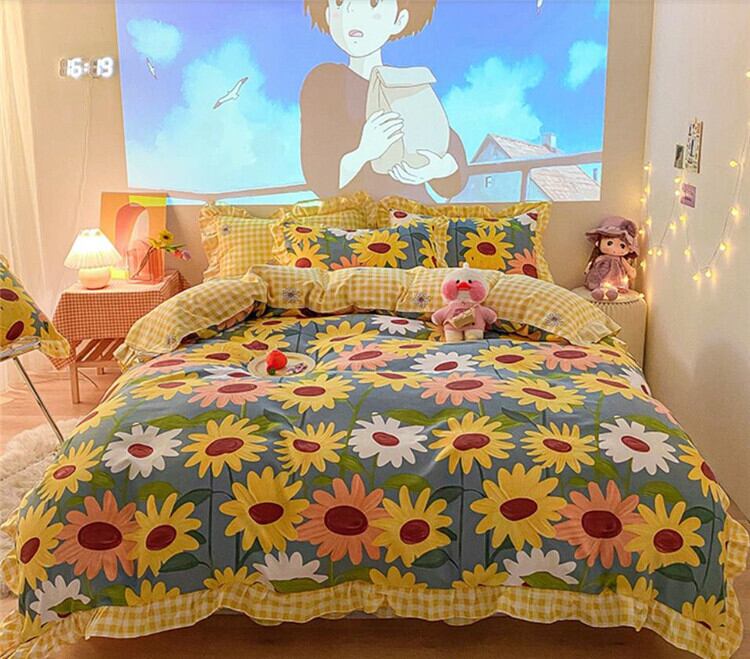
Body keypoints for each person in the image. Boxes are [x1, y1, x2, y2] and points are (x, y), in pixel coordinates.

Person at [301, 0, 468, 202]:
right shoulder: (325, 82)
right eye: (339, 2)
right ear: (329, 15)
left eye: (373, 3)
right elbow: (320, 177)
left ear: (399, 20)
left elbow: (447, 144)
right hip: (355, 211)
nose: (351, 10)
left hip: (416, 208)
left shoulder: (405, 83)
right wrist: (364, 152)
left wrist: (438, 168)